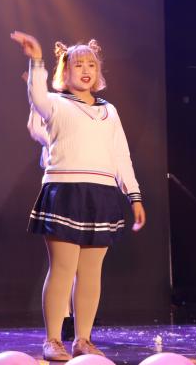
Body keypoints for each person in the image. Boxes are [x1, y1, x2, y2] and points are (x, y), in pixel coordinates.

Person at [10, 31, 145, 361]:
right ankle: (53, 340)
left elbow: (121, 155)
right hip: (66, 191)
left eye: (91, 64)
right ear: (65, 71)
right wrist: (36, 59)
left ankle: (83, 339)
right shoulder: (56, 103)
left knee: (91, 272)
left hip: (102, 194)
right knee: (62, 268)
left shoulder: (109, 111)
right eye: (78, 64)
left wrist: (134, 195)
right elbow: (37, 97)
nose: (86, 70)